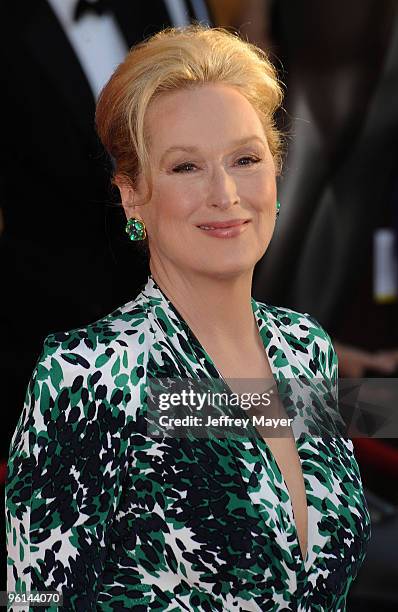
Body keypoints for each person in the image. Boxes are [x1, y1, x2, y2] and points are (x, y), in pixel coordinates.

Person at [6, 25, 371, 611]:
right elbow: (37, 600)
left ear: (276, 175)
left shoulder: (305, 348)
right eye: (185, 168)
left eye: (245, 159)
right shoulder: (88, 373)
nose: (224, 192)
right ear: (132, 195)